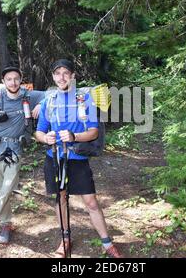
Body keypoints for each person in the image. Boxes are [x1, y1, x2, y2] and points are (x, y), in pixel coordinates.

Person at [34, 59, 123, 258]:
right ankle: (65, 238)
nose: (62, 77)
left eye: (66, 73)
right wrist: (45, 138)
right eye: (57, 73)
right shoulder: (49, 101)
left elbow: (93, 132)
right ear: (53, 77)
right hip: (54, 157)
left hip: (77, 158)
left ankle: (107, 243)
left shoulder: (85, 100)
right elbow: (39, 132)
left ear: (73, 76)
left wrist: (74, 137)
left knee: (90, 201)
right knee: (61, 198)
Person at [0, 66, 45, 244]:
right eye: (9, 79)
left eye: (16, 78)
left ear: (21, 79)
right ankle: (6, 224)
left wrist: (40, 104)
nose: (13, 82)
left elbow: (51, 94)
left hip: (14, 151)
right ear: (3, 81)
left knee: (7, 189)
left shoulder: (28, 97)